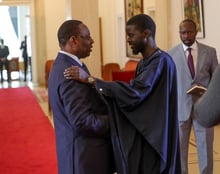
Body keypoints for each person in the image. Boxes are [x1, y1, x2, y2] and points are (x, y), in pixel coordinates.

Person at [64, 14, 181, 174]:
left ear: (146, 34)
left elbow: (135, 93)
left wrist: (92, 80)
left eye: (131, 35)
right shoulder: (145, 62)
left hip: (157, 138)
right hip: (147, 134)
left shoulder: (161, 61)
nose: (128, 40)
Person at [48, 20, 115, 174]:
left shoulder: (64, 65)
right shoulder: (70, 72)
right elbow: (82, 121)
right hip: (84, 158)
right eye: (87, 37)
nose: (92, 41)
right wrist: (115, 121)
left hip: (76, 153)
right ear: (73, 40)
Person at [168, 19, 218, 174]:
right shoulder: (170, 54)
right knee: (180, 150)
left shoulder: (209, 51)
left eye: (189, 32)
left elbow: (216, 80)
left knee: (206, 148)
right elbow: (169, 83)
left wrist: (206, 91)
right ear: (179, 33)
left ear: (196, 32)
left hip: (204, 108)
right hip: (181, 108)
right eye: (183, 32)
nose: (186, 35)